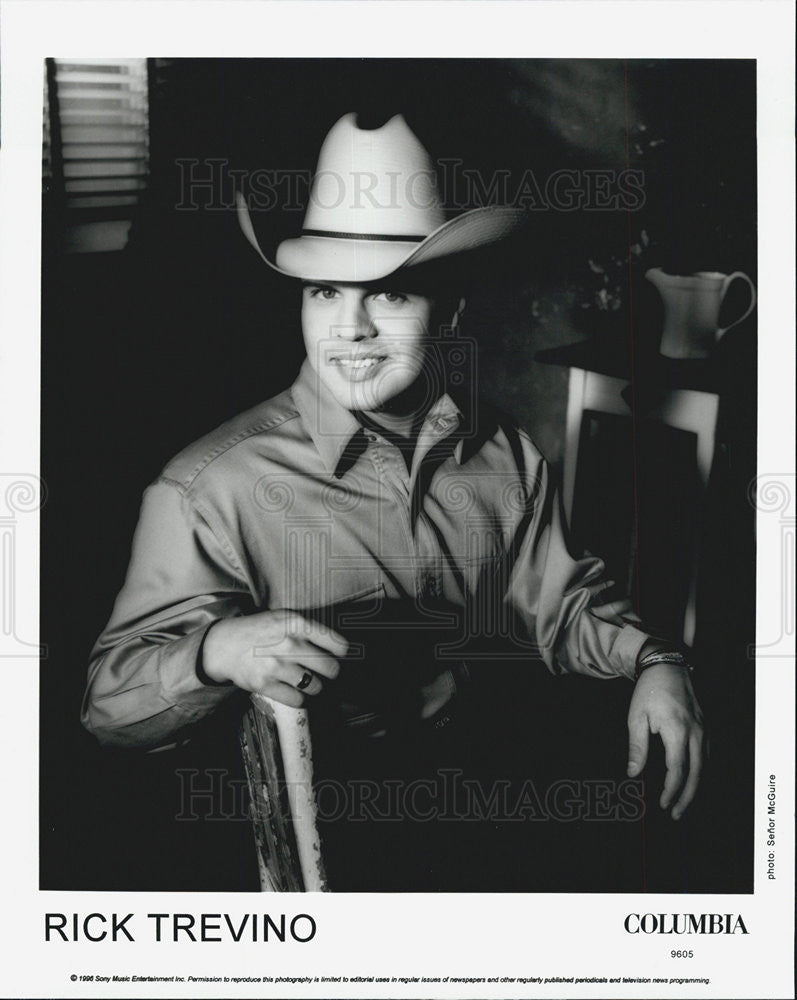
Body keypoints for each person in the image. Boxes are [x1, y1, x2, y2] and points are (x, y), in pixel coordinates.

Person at [82, 113, 704, 888]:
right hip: (305, 866)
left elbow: (563, 605)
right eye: (323, 292)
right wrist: (216, 651)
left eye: (392, 295)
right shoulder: (206, 488)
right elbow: (109, 708)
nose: (351, 328)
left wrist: (655, 661)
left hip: (479, 817)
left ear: (450, 312)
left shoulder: (502, 451)